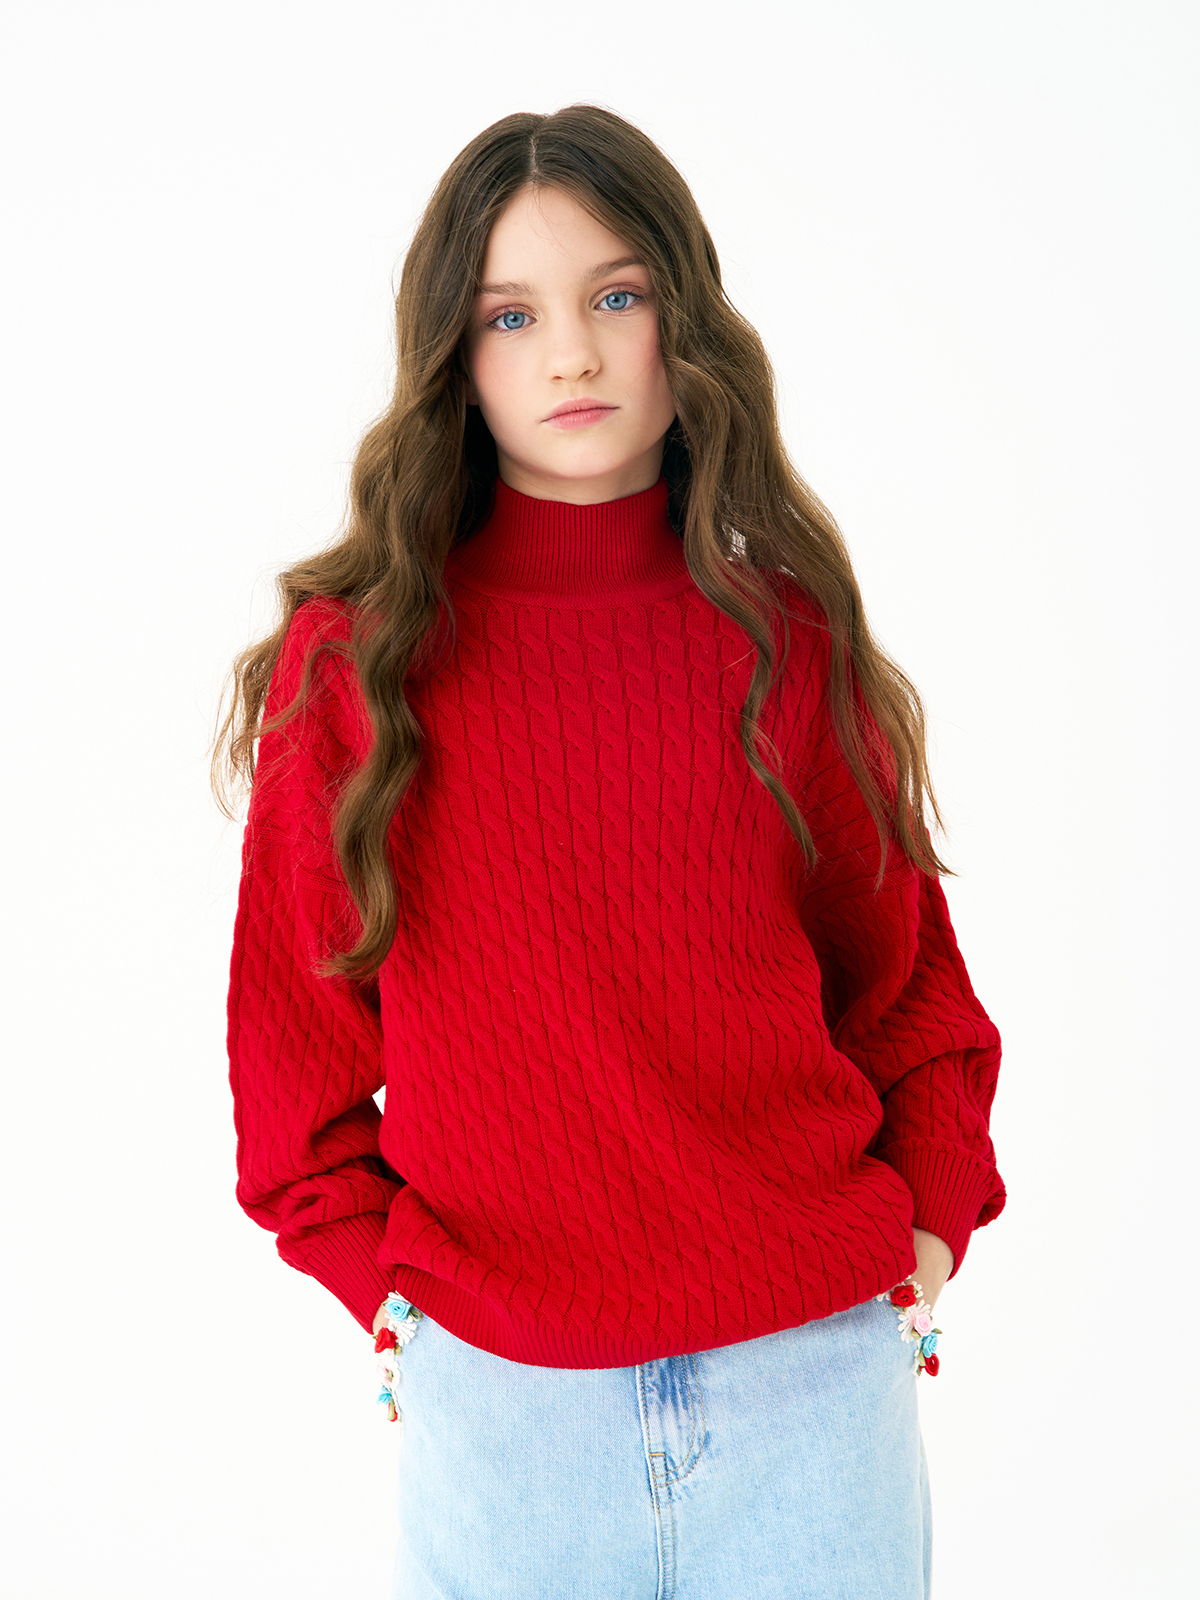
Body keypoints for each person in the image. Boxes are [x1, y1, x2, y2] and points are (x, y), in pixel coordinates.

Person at [215, 104, 1006, 1600]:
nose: (570, 355)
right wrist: (394, 1300)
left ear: (681, 323)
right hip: (505, 1415)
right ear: (455, 356)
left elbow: (911, 997)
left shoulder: (785, 643)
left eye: (615, 297)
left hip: (812, 1394)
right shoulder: (359, 672)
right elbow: (291, 1068)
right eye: (510, 315)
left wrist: (926, 1226)